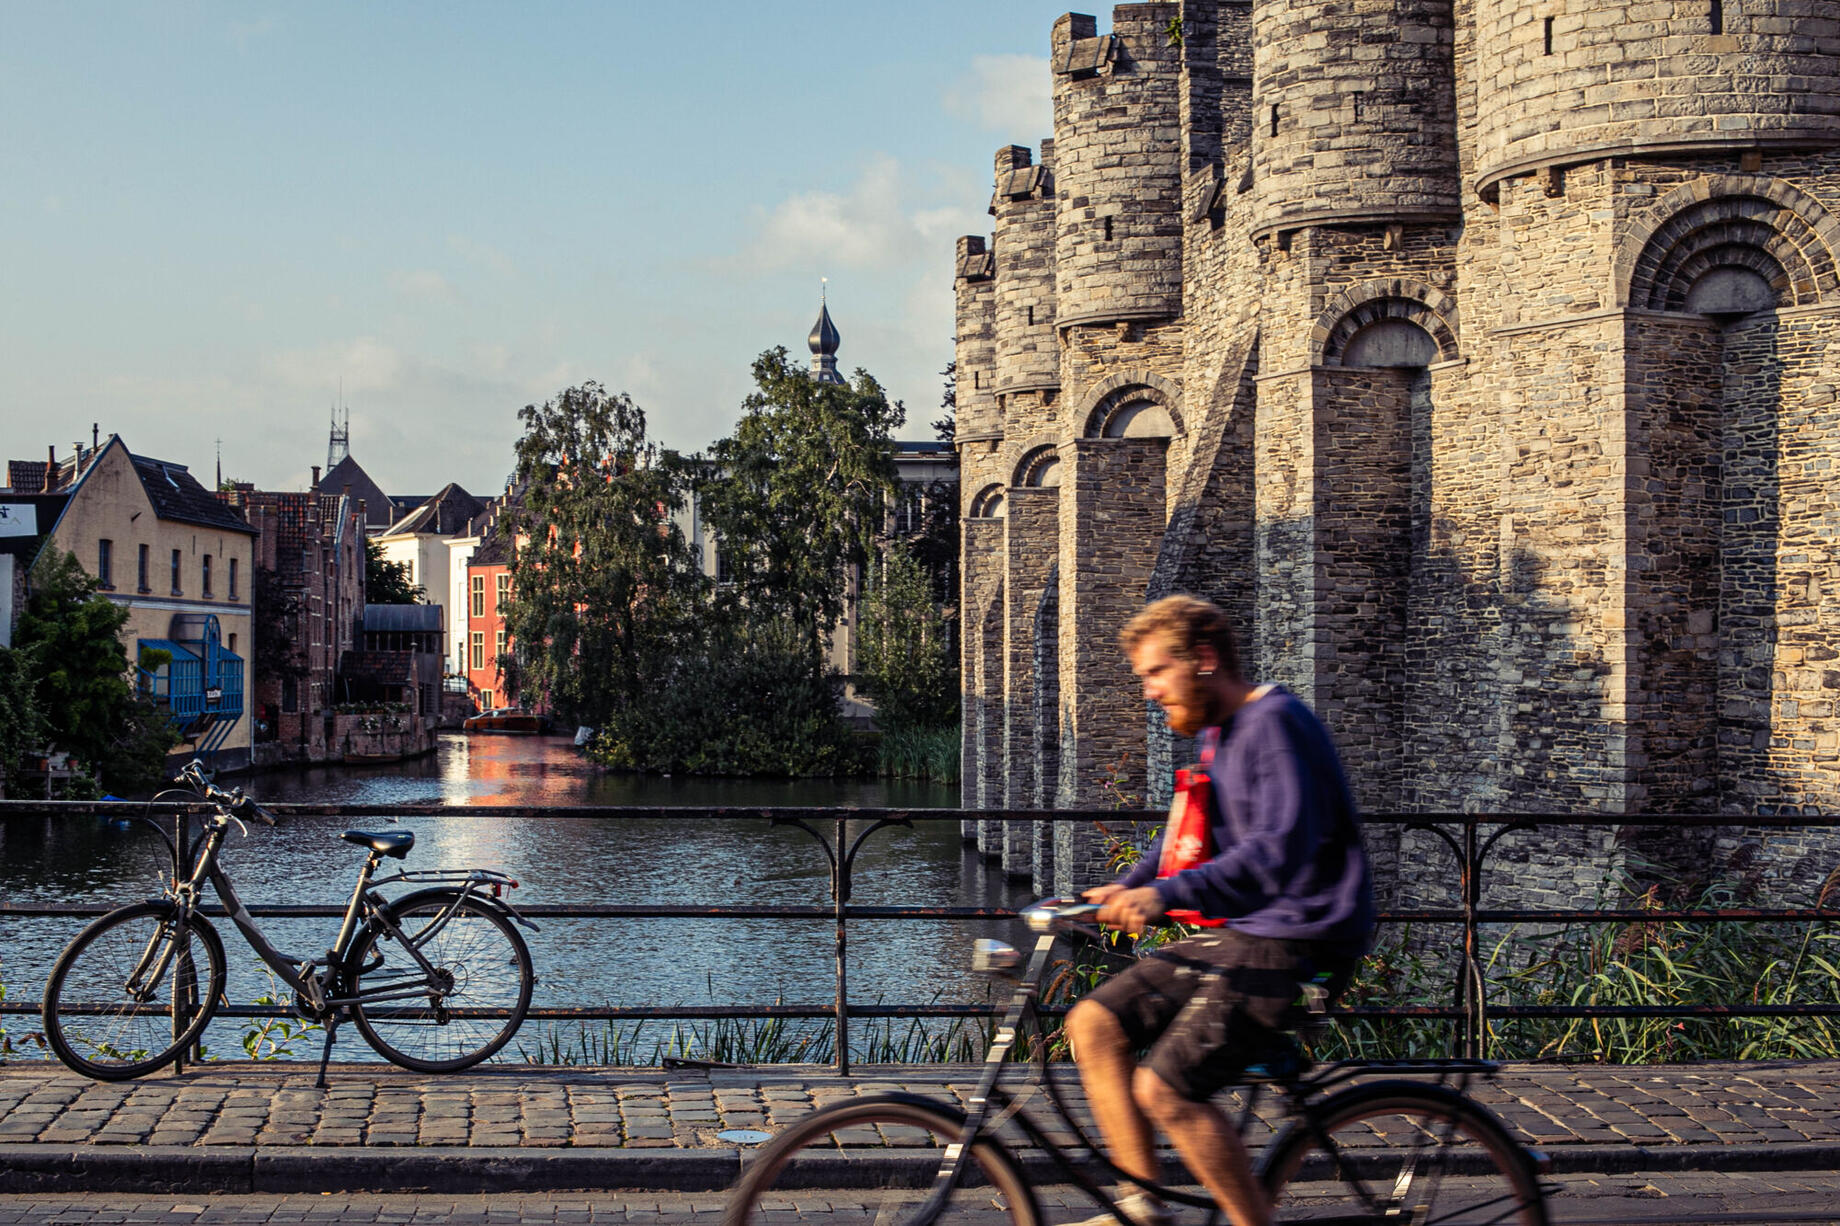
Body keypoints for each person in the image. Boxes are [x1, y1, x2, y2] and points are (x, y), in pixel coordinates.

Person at [1064, 595, 1375, 1226]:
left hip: (1301, 943)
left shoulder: (1276, 723)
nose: (1149, 691)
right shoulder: (1220, 733)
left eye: (1156, 673)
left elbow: (1276, 852)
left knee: (1164, 1090)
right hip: (1250, 936)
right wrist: (1122, 888)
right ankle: (1141, 1207)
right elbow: (1187, 835)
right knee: (1094, 1023)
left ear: (1203, 659)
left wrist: (1165, 897)